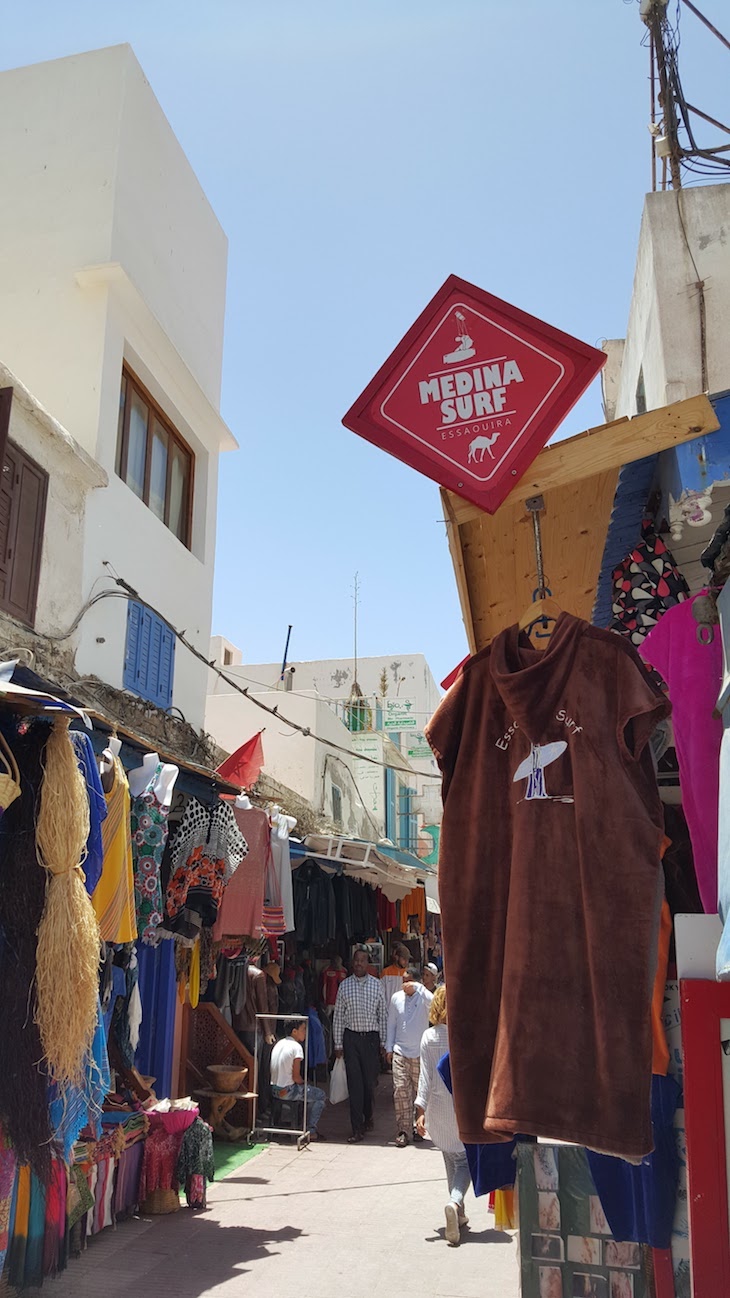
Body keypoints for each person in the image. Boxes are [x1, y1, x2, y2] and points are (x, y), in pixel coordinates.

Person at [415, 985, 471, 1246]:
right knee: (465, 1161)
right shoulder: (462, 1036)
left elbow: (424, 1077)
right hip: (459, 1106)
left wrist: (420, 1111)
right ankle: (455, 1201)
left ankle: (457, 1214)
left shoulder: (428, 1037)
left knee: (450, 1155)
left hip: (436, 1108)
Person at [333, 947, 387, 1143]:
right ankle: (356, 1128)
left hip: (371, 1039)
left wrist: (383, 1042)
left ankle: (368, 1115)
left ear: (368, 964)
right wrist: (338, 1044)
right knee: (355, 1084)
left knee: (368, 1083)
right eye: (356, 961)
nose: (358, 964)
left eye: (362, 961)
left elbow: (383, 1015)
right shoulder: (344, 986)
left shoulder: (377, 985)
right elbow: (338, 1016)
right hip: (351, 1039)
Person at [386, 965, 433, 1146]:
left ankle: (419, 1127)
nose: (404, 985)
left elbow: (435, 999)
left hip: (420, 1053)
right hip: (400, 1052)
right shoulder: (396, 998)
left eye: (407, 981)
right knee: (401, 1091)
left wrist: (419, 987)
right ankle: (403, 1130)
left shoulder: (423, 997)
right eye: (403, 981)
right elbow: (391, 1023)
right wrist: (389, 1047)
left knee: (419, 1092)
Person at [270, 1019, 327, 1140]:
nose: (305, 1032)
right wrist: (304, 1082)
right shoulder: (296, 1047)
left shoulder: (279, 1043)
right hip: (288, 1091)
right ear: (294, 1031)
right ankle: (311, 1130)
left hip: (274, 1089)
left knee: (309, 1091)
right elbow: (296, 1078)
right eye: (303, 1029)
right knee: (320, 1095)